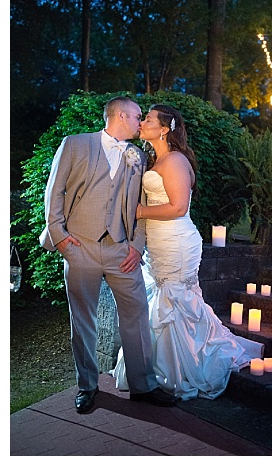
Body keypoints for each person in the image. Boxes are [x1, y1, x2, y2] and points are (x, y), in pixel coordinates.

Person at [111, 104, 263, 400]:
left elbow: (178, 207)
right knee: (164, 300)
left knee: (176, 299)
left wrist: (137, 210)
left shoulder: (176, 161)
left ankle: (185, 366)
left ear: (165, 128)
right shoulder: (153, 160)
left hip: (176, 241)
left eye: (150, 119)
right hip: (157, 243)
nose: (142, 123)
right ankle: (153, 368)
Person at [40, 96, 179, 413]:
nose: (140, 122)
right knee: (83, 319)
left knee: (137, 313)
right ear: (121, 115)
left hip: (121, 249)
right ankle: (87, 387)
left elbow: (140, 208)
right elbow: (54, 191)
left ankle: (143, 385)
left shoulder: (137, 157)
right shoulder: (75, 144)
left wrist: (136, 246)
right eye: (137, 117)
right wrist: (60, 237)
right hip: (79, 247)